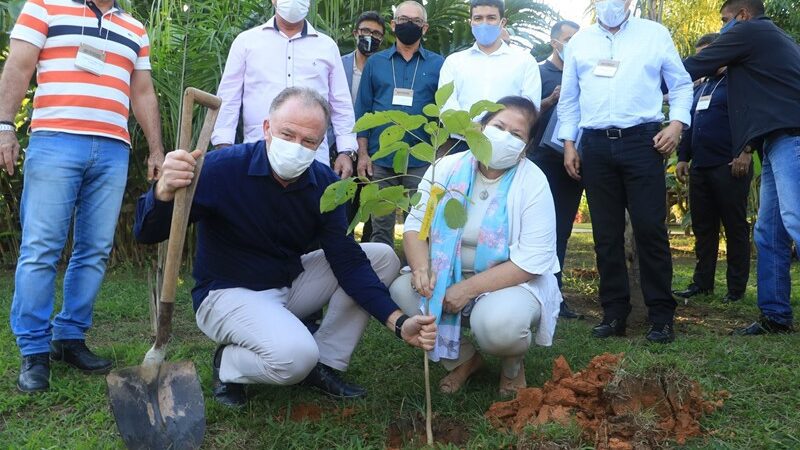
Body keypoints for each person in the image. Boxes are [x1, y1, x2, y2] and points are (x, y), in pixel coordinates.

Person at [134, 87, 437, 407]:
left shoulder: (325, 185)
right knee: (295, 357)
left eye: (308, 141)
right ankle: (229, 364)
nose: (296, 148)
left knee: (382, 257)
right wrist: (163, 191)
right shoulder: (221, 169)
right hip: (225, 294)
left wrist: (399, 322)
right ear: (266, 128)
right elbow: (146, 232)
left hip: (285, 284)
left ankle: (327, 362)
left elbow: (347, 262)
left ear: (321, 144)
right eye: (287, 134)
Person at [0, 0, 164, 393]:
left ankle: (69, 336)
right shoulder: (43, 6)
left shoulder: (134, 27)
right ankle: (35, 350)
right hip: (55, 141)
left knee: (94, 249)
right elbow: (18, 68)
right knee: (42, 247)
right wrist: (5, 126)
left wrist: (156, 149)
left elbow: (141, 92)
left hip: (113, 149)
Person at [390, 96, 562, 397]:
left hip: (507, 285)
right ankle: (465, 360)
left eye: (516, 135)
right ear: (481, 128)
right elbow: (418, 223)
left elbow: (532, 261)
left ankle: (512, 363)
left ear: (526, 148)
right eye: (499, 126)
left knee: (500, 326)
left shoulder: (533, 182)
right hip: (448, 275)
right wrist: (421, 268)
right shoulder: (446, 168)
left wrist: (467, 290)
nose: (504, 137)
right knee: (403, 290)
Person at [558, 0, 694, 343]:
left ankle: (661, 316)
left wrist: (676, 125)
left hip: (643, 143)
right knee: (605, 235)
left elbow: (680, 85)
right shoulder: (580, 42)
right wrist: (570, 144)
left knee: (650, 229)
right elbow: (570, 100)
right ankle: (614, 313)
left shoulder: (655, 35)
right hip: (595, 145)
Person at [683, 0, 800, 335]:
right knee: (769, 232)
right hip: (775, 141)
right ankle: (776, 316)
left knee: (796, 219)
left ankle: (776, 313)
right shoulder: (774, 41)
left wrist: (649, 76)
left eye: (725, 20)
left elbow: (697, 63)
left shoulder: (752, 31)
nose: (722, 28)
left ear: (743, 15)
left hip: (793, 137)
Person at [211, 0, 358, 178]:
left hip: (312, 157)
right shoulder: (246, 42)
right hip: (258, 153)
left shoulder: (327, 46)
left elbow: (341, 103)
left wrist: (346, 150)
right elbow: (228, 98)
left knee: (310, 205)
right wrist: (223, 145)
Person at [354, 1, 444, 248]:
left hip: (421, 158)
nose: (409, 25)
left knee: (419, 223)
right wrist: (363, 153)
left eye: (415, 22)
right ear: (393, 25)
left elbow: (444, 113)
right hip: (380, 157)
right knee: (380, 225)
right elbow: (363, 110)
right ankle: (380, 276)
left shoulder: (439, 65)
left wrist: (440, 156)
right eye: (403, 19)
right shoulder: (376, 63)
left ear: (424, 28)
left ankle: (415, 274)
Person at [673, 33, 751, 304]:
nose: (704, 61)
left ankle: (736, 288)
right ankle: (702, 283)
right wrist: (683, 157)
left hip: (730, 165)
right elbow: (689, 124)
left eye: (708, 54)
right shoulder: (700, 87)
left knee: (734, 227)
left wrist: (746, 151)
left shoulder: (738, 82)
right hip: (701, 167)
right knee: (704, 229)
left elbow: (751, 118)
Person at [529, 19, 583, 320]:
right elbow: (522, 115)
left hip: (574, 160)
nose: (573, 44)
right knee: (536, 228)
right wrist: (550, 100)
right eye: (568, 38)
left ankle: (556, 295)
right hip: (542, 159)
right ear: (554, 42)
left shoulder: (585, 72)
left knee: (562, 230)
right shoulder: (538, 72)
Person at [438, 0, 542, 153]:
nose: (484, 23)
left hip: (506, 145)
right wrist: (474, 130)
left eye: (491, 18)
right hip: (461, 145)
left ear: (502, 22)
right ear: (470, 22)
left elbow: (530, 108)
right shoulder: (454, 61)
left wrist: (498, 131)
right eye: (478, 18)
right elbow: (446, 105)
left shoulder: (525, 61)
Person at [329, 11, 387, 242]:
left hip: (373, 150)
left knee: (373, 210)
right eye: (365, 31)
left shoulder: (384, 67)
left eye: (376, 34)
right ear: (356, 33)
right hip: (341, 148)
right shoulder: (338, 65)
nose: (370, 37)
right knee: (343, 209)